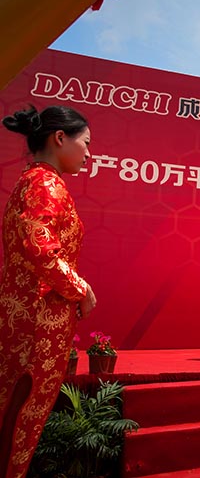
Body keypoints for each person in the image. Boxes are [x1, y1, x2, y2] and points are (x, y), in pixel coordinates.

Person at [0, 105, 97, 478]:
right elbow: (42, 250)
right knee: (22, 416)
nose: (88, 153)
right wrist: (81, 289)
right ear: (59, 138)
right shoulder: (45, 183)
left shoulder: (32, 179)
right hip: (38, 322)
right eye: (85, 143)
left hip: (25, 314)